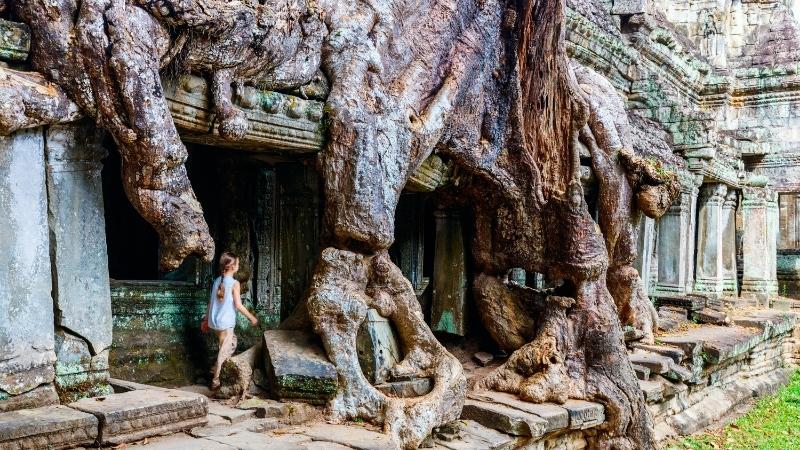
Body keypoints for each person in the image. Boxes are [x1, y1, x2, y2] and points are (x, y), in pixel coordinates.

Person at [202, 251, 258, 390]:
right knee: (224, 352)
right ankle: (216, 380)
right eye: (237, 263)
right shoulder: (234, 283)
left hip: (215, 322)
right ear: (232, 266)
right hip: (225, 323)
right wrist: (251, 317)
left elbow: (210, 303)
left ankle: (215, 368)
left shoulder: (217, 280)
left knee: (231, 343)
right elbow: (238, 305)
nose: (238, 265)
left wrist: (206, 319)